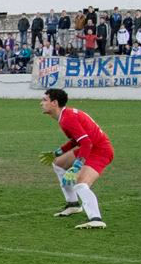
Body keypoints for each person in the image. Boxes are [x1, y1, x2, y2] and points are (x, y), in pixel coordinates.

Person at [38, 88, 112, 229]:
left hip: (100, 151)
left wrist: (77, 166)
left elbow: (86, 143)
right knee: (58, 164)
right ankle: (73, 204)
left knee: (80, 183)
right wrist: (57, 153)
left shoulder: (67, 119)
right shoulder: (65, 116)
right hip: (91, 147)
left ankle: (96, 219)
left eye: (44, 100)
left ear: (54, 103)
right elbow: (77, 140)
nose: (41, 103)